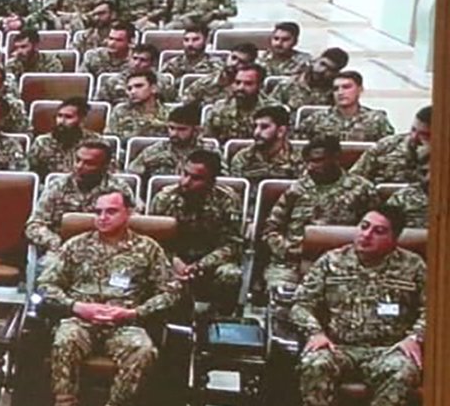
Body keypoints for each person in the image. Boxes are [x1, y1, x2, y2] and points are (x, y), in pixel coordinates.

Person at [37, 188, 180, 406]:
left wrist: (134, 312)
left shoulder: (147, 249)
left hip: (124, 320)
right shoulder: (75, 245)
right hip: (81, 317)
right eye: (98, 211)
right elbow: (46, 284)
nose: (102, 217)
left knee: (143, 350)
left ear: (129, 213)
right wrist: (76, 307)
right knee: (64, 339)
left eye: (111, 211)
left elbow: (170, 292)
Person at [292, 205, 426, 406]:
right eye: (364, 226)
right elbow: (301, 303)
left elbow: (435, 307)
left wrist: (416, 335)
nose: (366, 235)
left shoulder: (413, 266)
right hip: (339, 345)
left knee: (402, 373)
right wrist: (315, 331)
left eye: (379, 231)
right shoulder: (332, 261)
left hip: (386, 349)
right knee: (315, 365)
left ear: (394, 238)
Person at [261, 135, 377, 292]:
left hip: (346, 264)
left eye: (317, 161)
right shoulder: (296, 190)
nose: (310, 167)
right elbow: (270, 229)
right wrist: (288, 250)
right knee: (282, 294)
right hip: (293, 264)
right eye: (307, 162)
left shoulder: (361, 190)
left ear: (335, 158)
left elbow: (376, 231)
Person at [148, 149, 244, 308]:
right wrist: (174, 261)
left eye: (196, 178)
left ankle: (220, 322)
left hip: (209, 262)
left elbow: (232, 245)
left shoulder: (227, 200)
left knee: (231, 275)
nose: (186, 182)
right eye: (185, 174)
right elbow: (152, 241)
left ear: (211, 181)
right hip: (172, 260)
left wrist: (199, 266)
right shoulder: (164, 198)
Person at [24, 139, 127, 253]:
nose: (79, 166)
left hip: (106, 251)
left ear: (105, 166)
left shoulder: (119, 189)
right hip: (62, 251)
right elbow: (34, 226)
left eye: (89, 163)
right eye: (77, 160)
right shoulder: (58, 186)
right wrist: (57, 243)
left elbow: (132, 225)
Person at [353, 105, 430, 187]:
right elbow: (354, 177)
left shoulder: (442, 160)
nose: (414, 137)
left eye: (424, 134)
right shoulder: (388, 146)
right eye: (413, 130)